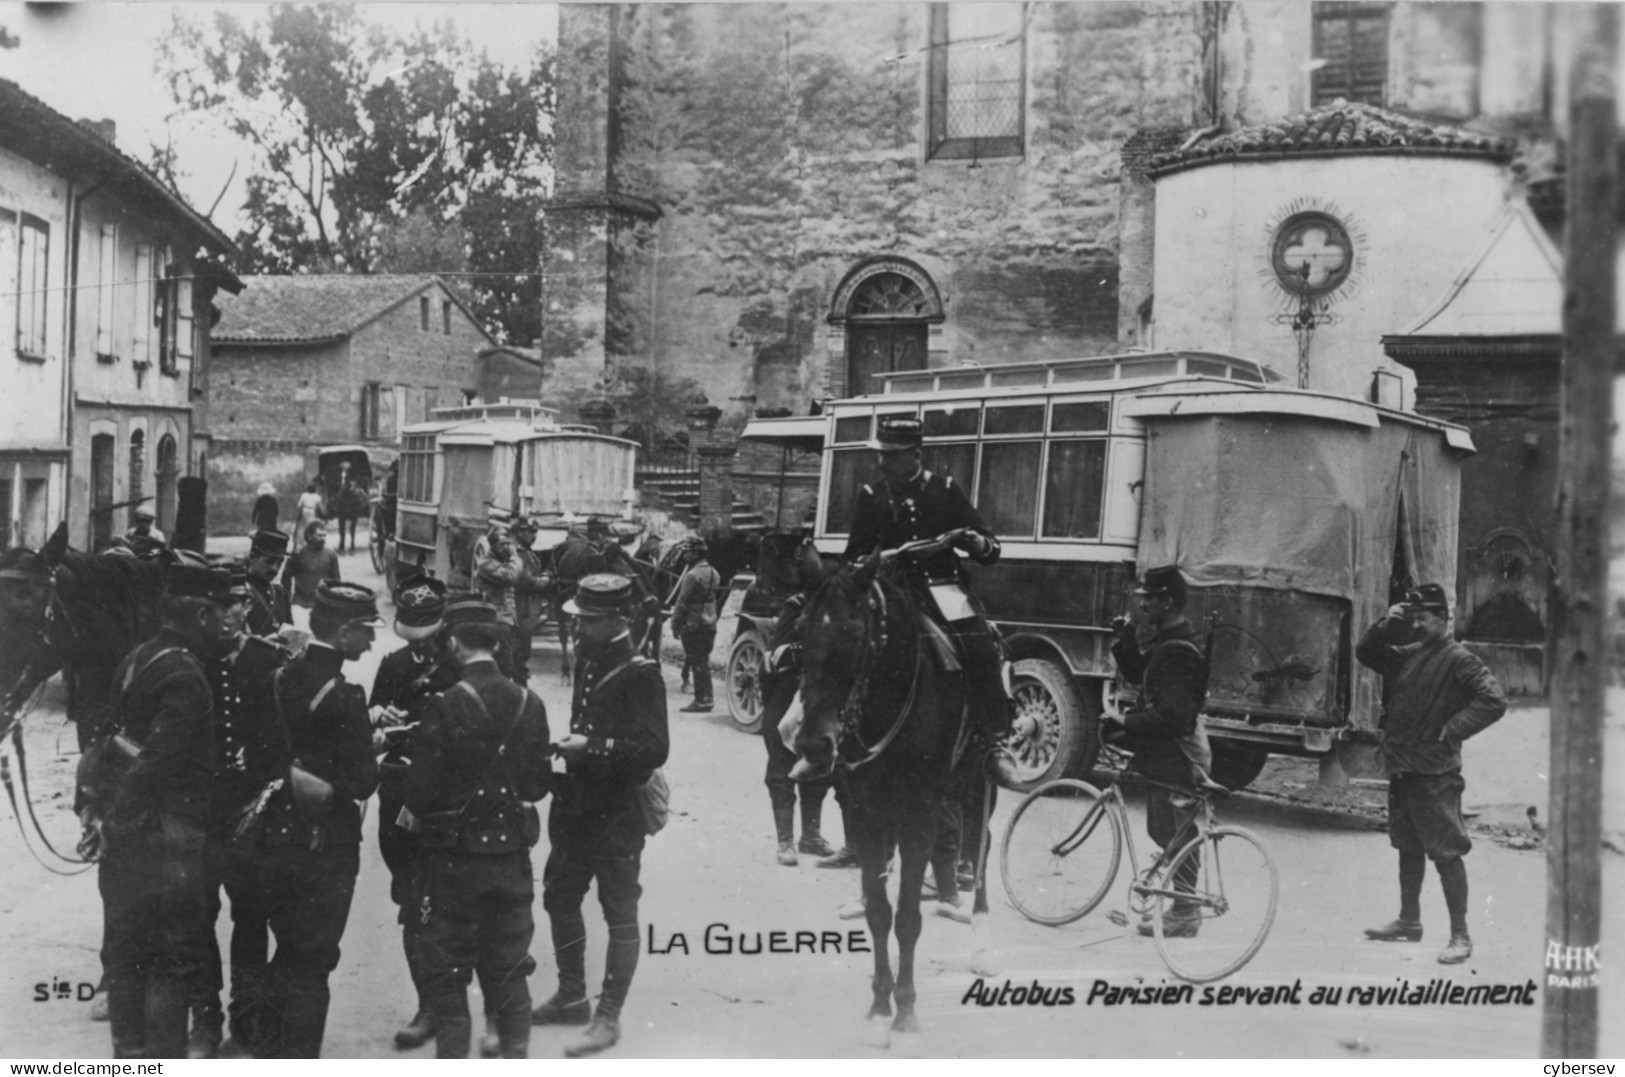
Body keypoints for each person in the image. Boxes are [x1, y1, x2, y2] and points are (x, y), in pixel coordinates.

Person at [78, 562, 233, 1059]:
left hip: (125, 832)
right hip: (168, 836)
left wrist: (97, 812)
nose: (229, 623)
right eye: (224, 612)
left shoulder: (137, 657)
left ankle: (130, 1062)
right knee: (170, 959)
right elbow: (158, 763)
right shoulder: (187, 674)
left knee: (126, 955)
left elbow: (104, 742)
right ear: (204, 614)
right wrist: (119, 821)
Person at [228, 581, 381, 1057]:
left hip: (269, 838)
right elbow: (362, 783)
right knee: (311, 960)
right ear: (344, 632)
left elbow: (258, 756)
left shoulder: (274, 677)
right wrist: (372, 745)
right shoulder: (345, 694)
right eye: (366, 631)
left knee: (284, 947)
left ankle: (257, 1041)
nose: (372, 641)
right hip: (324, 847)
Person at [403, 597, 553, 1059]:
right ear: (495, 642)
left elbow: (420, 796)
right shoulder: (531, 702)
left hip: (454, 865)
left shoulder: (443, 705)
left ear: (453, 643)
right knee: (510, 974)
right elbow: (538, 784)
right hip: (510, 862)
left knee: (449, 980)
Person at [533, 574, 668, 1057]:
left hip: (616, 812)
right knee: (559, 896)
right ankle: (572, 995)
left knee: (618, 910)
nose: (580, 627)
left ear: (616, 619)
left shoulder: (641, 672)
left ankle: (607, 1015)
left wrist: (591, 747)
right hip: (577, 805)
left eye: (588, 620)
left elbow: (655, 749)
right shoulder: (591, 658)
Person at [842, 415, 1014, 764]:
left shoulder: (945, 490)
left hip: (943, 590)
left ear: (915, 454)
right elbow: (853, 557)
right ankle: (832, 732)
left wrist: (974, 541)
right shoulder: (872, 496)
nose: (881, 462)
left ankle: (996, 741)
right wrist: (885, 557)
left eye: (890, 455)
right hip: (889, 592)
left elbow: (991, 549)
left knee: (979, 644)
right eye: (881, 454)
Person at [1355, 582, 1506, 965]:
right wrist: (1387, 624)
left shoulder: (1460, 659)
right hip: (1404, 766)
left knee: (1446, 852)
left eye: (1424, 618)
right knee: (1407, 845)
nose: (1417, 625)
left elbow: (1493, 700)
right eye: (1414, 618)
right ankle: (1409, 921)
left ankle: (1461, 936)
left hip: (1435, 771)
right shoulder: (1411, 654)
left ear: (1443, 618)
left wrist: (1453, 729)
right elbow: (1366, 653)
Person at [192, 566, 285, 1059]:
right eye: (216, 608)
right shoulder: (193, 661)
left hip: (253, 811)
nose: (226, 618)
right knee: (199, 914)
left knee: (251, 914)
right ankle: (204, 1019)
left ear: (247, 607)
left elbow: (285, 738)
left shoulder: (270, 660)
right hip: (204, 810)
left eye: (234, 606)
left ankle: (245, 1016)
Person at [368, 576, 459, 1051]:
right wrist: (381, 714)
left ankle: (447, 1000)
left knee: (452, 900)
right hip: (401, 789)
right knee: (411, 900)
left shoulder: (463, 666)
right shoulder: (395, 663)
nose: (421, 649)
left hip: (448, 795)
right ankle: (430, 1001)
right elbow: (375, 706)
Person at [1102, 565, 1211, 939]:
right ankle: (1182, 904)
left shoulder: (1179, 649)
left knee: (1176, 829)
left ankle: (1185, 910)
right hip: (1166, 755)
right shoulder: (1170, 638)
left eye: (1149, 598)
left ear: (1167, 601)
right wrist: (1126, 638)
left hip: (1179, 756)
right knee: (1162, 826)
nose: (1142, 604)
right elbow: (1143, 675)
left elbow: (1174, 716)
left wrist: (1125, 722)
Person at [670, 539, 720, 713]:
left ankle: (701, 700)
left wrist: (675, 623)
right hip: (710, 621)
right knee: (704, 661)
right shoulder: (714, 573)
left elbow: (682, 602)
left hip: (694, 624)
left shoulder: (692, 575)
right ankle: (708, 698)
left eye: (687, 552)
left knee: (697, 662)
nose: (684, 555)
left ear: (696, 554)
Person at [475, 524, 526, 684]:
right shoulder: (486, 564)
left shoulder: (502, 561)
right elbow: (509, 577)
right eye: (501, 544)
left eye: (508, 544)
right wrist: (516, 557)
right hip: (496, 619)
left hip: (509, 619)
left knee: (515, 660)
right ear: (492, 545)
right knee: (504, 663)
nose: (506, 547)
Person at [281, 522, 342, 618]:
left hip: (322, 606)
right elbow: (286, 577)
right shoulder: (298, 554)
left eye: (324, 535)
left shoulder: (331, 555)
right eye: (319, 535)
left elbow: (337, 583)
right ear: (309, 536)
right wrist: (286, 600)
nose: (323, 538)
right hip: (300, 605)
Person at [244, 529, 294, 638]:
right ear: (252, 557)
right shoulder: (240, 592)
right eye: (269, 562)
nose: (275, 569)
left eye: (280, 563)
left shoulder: (280, 593)